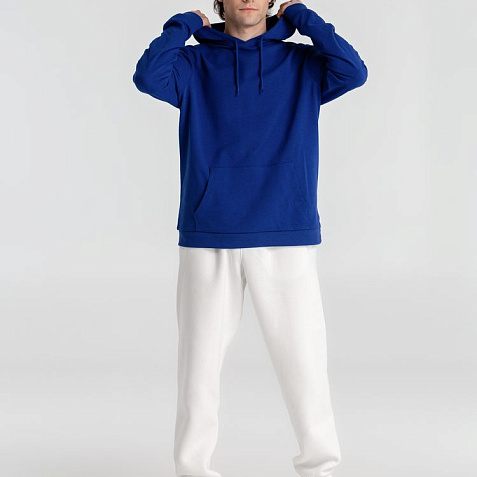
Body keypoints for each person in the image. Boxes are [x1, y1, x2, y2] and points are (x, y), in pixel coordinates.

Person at [133, 1, 368, 476]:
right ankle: (193, 470)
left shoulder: (303, 63)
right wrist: (185, 25)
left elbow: (354, 71)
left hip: (285, 228)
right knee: (198, 367)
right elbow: (147, 76)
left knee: (304, 361)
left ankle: (320, 467)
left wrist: (303, 18)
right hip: (210, 231)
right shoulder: (193, 63)